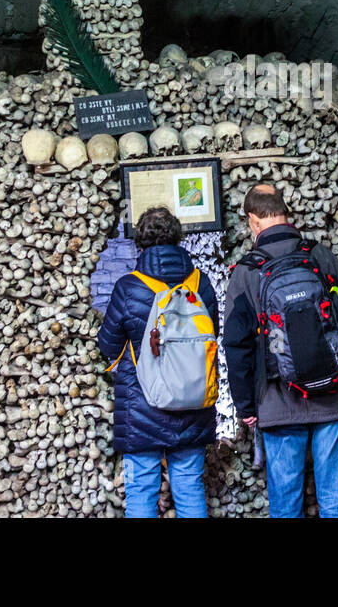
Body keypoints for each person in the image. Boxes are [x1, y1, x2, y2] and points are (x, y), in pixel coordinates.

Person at [222, 183, 338, 518]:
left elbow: (237, 346)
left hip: (277, 403)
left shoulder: (246, 271)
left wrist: (247, 405)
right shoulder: (320, 256)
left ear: (253, 220)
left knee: (285, 505)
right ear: (285, 213)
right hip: (335, 397)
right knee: (336, 503)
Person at [98, 206, 218, 518]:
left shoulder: (129, 287)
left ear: (140, 242)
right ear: (178, 239)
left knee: (141, 491)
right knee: (190, 487)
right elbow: (211, 335)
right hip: (194, 404)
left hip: (142, 407)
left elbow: (108, 344)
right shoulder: (200, 284)